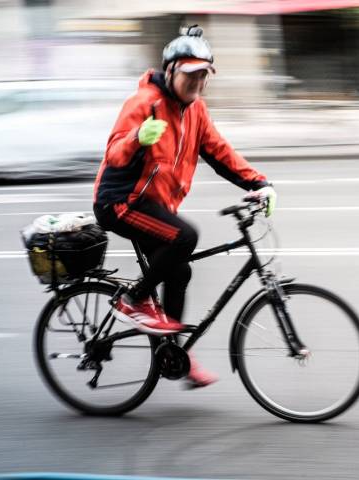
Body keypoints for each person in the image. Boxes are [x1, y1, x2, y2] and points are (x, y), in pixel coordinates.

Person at [93, 25, 275, 388]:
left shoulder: (195, 112)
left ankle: (172, 355)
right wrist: (136, 137)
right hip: (119, 201)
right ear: (172, 71)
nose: (197, 82)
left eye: (203, 75)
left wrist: (258, 182)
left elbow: (220, 153)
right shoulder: (144, 104)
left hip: (152, 205)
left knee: (179, 271)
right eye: (190, 74)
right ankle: (133, 299)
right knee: (184, 237)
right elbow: (114, 154)